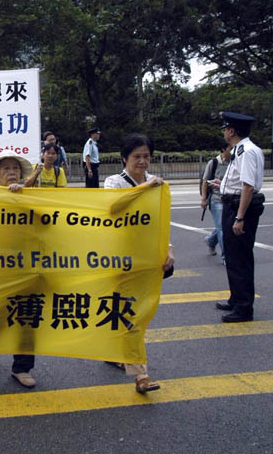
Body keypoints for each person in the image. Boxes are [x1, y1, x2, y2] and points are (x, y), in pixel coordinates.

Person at [104, 133, 175, 394]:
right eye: (137, 156)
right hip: (119, 257)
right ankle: (141, 374)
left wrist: (169, 248)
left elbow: (159, 222)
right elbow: (113, 208)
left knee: (136, 313)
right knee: (130, 313)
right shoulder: (114, 182)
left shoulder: (156, 184)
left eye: (146, 156)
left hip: (147, 259)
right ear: (125, 158)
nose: (142, 161)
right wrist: (145, 188)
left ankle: (116, 352)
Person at [0, 149, 39, 389]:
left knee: (27, 316)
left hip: (26, 267)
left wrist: (23, 197)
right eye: (6, 168)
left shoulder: (32, 196)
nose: (12, 172)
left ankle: (21, 368)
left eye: (15, 168)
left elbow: (45, 223)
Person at [212, 112, 264, 323]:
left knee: (239, 259)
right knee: (234, 257)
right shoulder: (242, 150)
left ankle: (243, 308)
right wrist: (222, 185)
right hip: (233, 204)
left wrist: (239, 217)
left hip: (239, 209)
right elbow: (240, 181)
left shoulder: (246, 151)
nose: (224, 132)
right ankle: (236, 299)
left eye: (225, 129)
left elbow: (248, 186)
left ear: (231, 131)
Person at [200, 141, 231, 264]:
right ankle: (226, 257)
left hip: (230, 199)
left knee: (223, 226)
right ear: (223, 149)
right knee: (222, 227)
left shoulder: (234, 162)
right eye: (230, 149)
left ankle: (210, 241)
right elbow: (205, 181)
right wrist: (204, 199)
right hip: (216, 199)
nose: (232, 152)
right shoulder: (214, 163)